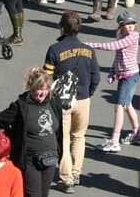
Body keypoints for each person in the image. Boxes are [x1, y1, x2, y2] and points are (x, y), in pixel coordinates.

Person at [43, 11, 100, 193]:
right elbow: (96, 77)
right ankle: (76, 173)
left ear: (61, 28)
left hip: (63, 102)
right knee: (79, 136)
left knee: (64, 138)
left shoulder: (54, 50)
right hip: (83, 99)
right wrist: (88, 93)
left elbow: (46, 76)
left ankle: (66, 179)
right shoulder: (88, 51)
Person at [0, 68, 65, 197]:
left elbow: (58, 128)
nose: (42, 93)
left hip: (50, 158)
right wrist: (13, 138)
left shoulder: (54, 101)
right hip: (30, 161)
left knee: (44, 194)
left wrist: (59, 151)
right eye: (39, 89)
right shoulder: (21, 105)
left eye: (45, 89)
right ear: (31, 88)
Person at [85, 11, 140, 152]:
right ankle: (137, 133)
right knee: (127, 105)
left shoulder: (133, 37)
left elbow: (113, 47)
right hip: (123, 75)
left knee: (119, 107)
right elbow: (118, 55)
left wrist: (88, 44)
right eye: (127, 24)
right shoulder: (120, 35)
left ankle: (114, 140)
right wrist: (112, 72)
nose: (131, 27)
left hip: (130, 75)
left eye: (133, 24)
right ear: (121, 25)